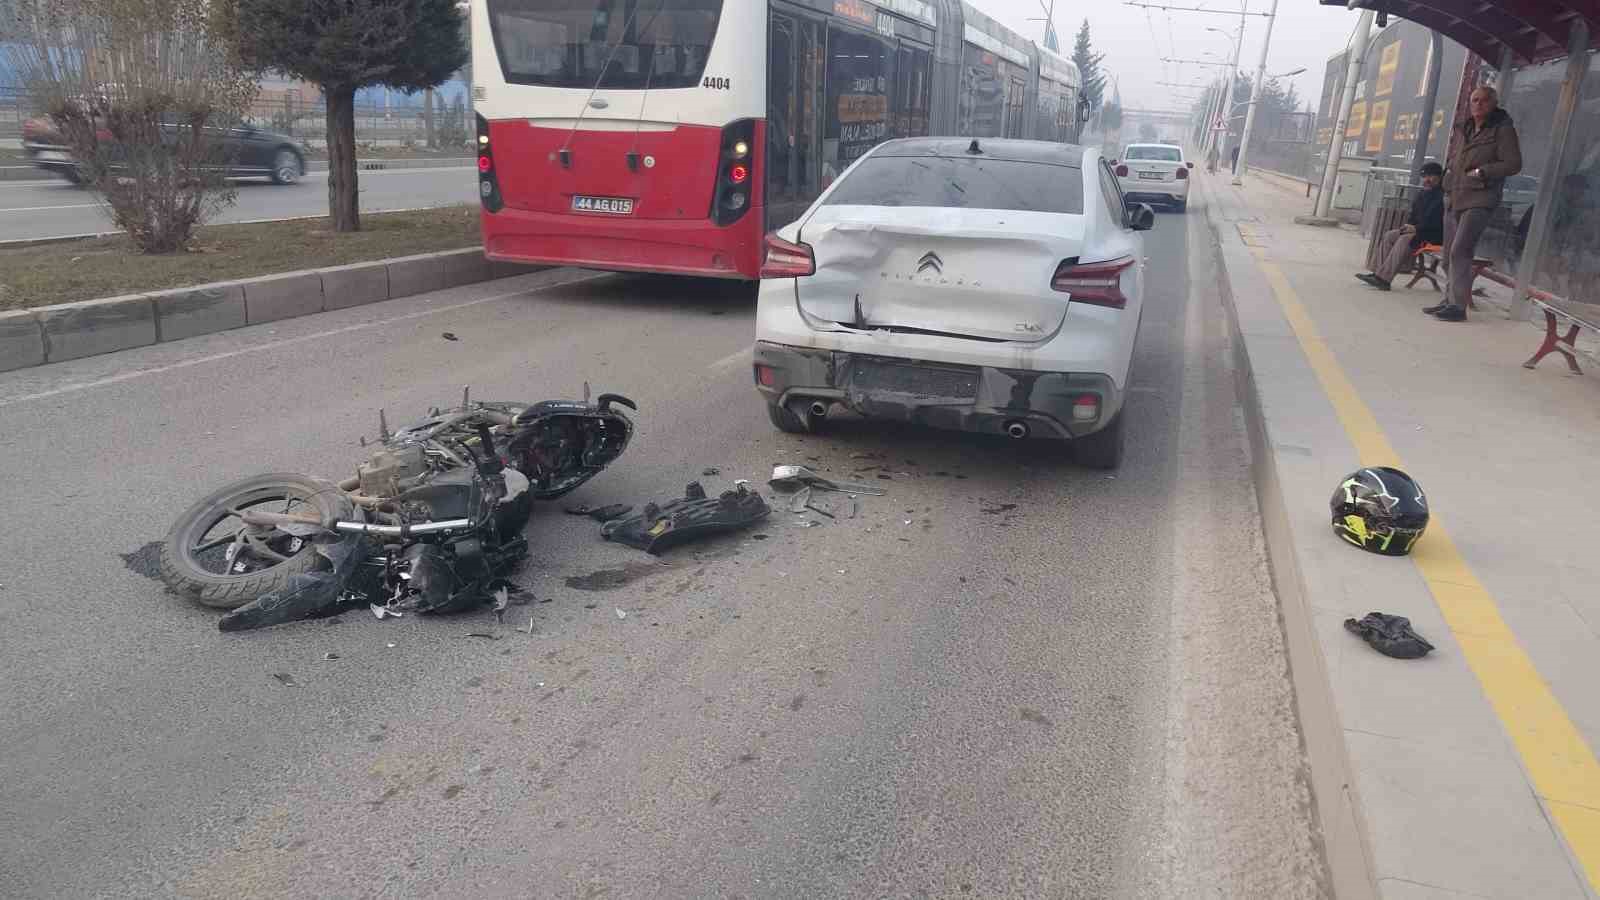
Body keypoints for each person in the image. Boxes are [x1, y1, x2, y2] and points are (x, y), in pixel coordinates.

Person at [1431, 85, 1522, 321]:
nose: (1477, 105)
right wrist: (1446, 181)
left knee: (1461, 250)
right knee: (1448, 253)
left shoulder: (1502, 129)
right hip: (1454, 196)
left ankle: (1458, 307)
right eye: (1474, 100)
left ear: (1494, 103)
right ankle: (1449, 300)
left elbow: (1513, 164)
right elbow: (1455, 160)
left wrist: (1483, 171)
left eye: (1483, 101)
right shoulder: (1465, 129)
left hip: (1480, 197)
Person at [1357, 162, 1445, 291]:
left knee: (1405, 239)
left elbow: (1437, 222)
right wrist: (1408, 225)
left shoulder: (1443, 196)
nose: (1426, 180)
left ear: (1439, 177)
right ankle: (1378, 274)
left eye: (1430, 176)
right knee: (1390, 235)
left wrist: (1416, 229)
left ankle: (1384, 279)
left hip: (1434, 236)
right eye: (1424, 176)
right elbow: (1414, 216)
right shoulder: (1422, 194)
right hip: (1419, 232)